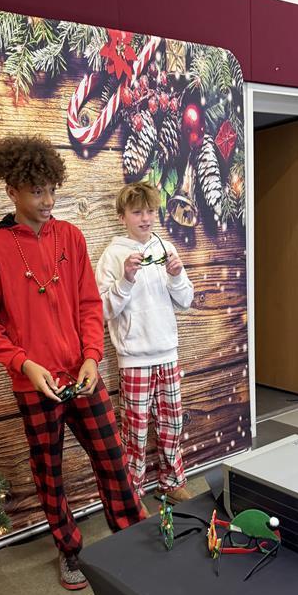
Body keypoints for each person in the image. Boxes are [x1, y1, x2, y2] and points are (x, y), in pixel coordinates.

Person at [0, 136, 146, 591]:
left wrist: (92, 356)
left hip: (83, 376)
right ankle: (70, 551)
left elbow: (90, 304)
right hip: (36, 386)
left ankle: (133, 536)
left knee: (113, 458)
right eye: (37, 192)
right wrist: (24, 365)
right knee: (49, 472)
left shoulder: (70, 236)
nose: (48, 201)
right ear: (12, 190)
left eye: (52, 190)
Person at [96, 182, 194, 505]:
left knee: (172, 422)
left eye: (151, 210)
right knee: (135, 431)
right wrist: (125, 279)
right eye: (137, 212)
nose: (146, 218)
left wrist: (178, 276)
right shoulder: (112, 256)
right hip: (134, 358)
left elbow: (186, 300)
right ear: (122, 216)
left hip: (167, 353)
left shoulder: (166, 248)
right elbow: (103, 309)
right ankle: (133, 492)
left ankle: (172, 482)